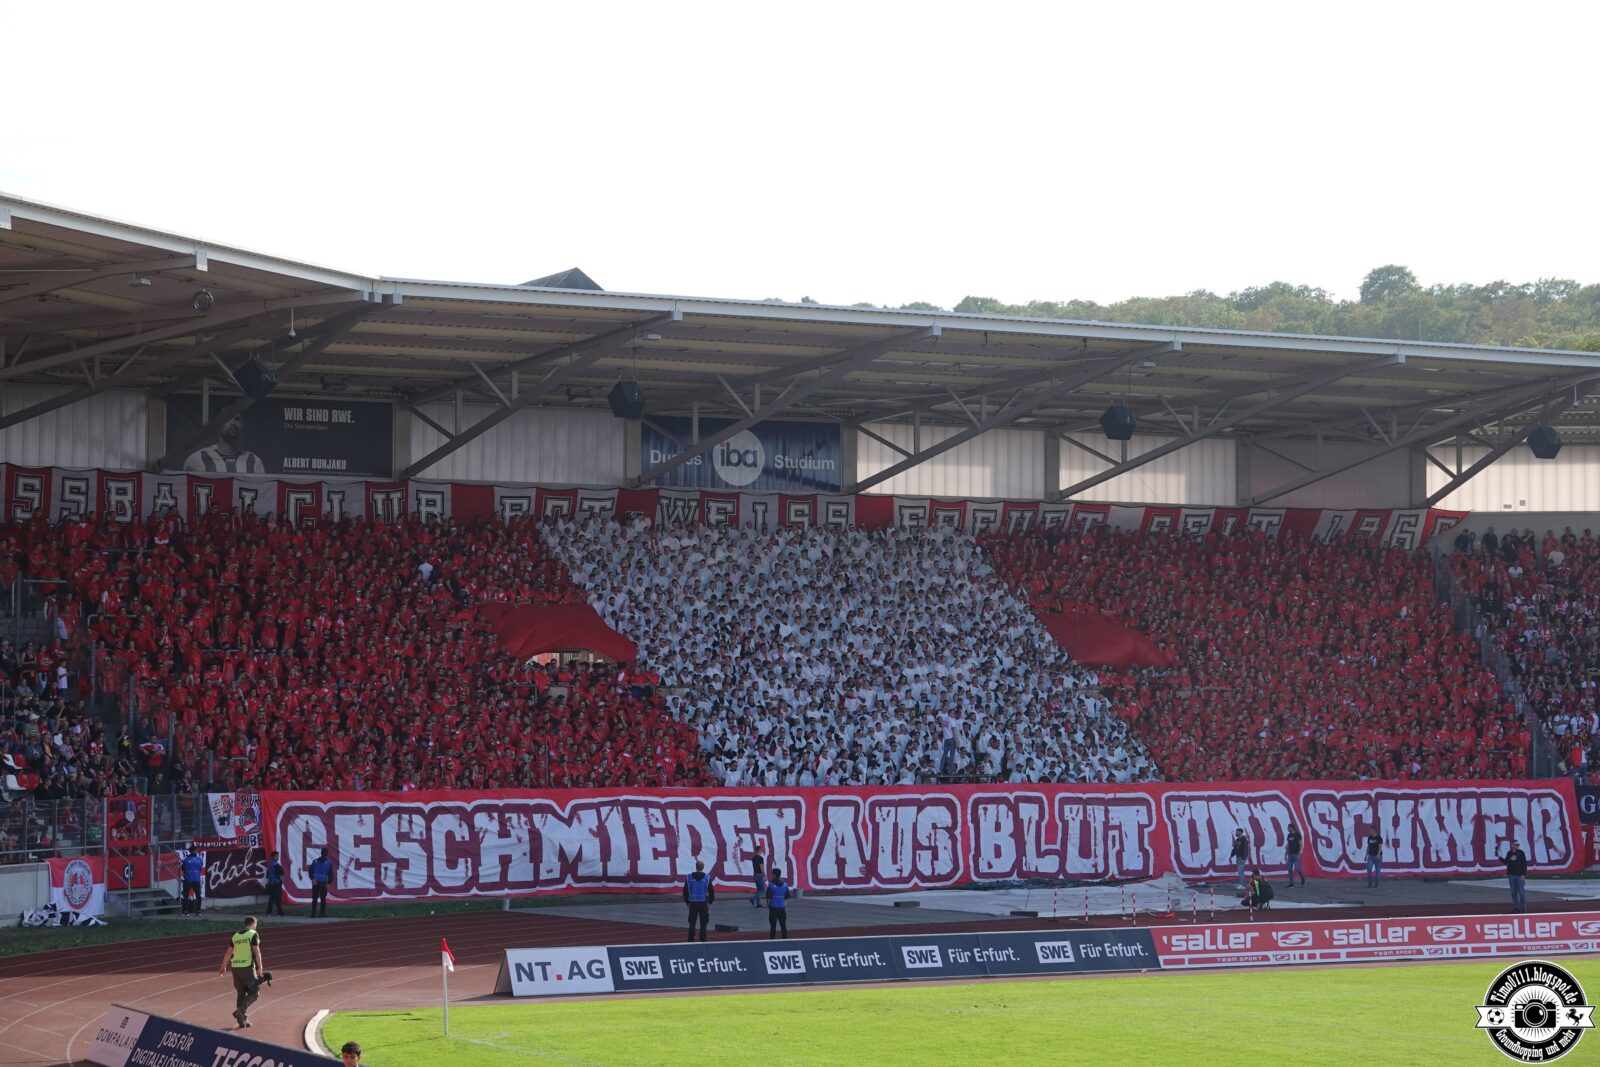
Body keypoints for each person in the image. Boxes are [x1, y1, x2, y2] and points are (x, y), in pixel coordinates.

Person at [217, 915, 264, 1028]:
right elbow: (256, 952)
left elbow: (228, 952)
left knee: (241, 993)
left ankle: (242, 1020)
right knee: (255, 992)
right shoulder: (253, 934)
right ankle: (240, 1011)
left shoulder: (236, 936)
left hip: (235, 967)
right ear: (253, 924)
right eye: (255, 925)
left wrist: (223, 966)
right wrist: (259, 968)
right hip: (247, 968)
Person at [184, 414, 266, 475]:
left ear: (242, 425)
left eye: (237, 419)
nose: (233, 423)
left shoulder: (254, 462)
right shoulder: (197, 460)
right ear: (217, 425)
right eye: (227, 418)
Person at [683, 859, 715, 942]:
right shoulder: (707, 878)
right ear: (703, 868)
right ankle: (703, 940)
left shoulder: (689, 877)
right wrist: (710, 903)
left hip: (693, 903)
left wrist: (687, 903)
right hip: (703, 903)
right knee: (703, 923)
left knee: (692, 923)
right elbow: (712, 891)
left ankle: (690, 939)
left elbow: (685, 891)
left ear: (696, 867)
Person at [1502, 841, 1529, 913]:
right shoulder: (1509, 853)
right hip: (1511, 875)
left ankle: (1523, 908)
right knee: (1513, 892)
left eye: (1518, 844)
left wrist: (1523, 874)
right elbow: (1505, 861)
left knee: (1521, 892)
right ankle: (1516, 908)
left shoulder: (1521, 852)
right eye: (1516, 844)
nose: (1517, 846)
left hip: (1519, 875)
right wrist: (1499, 857)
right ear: (1512, 845)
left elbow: (1524, 864)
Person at [766, 867, 790, 939]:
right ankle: (784, 938)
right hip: (782, 907)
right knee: (783, 924)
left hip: (773, 907)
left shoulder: (770, 884)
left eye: (772, 874)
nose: (771, 875)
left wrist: (768, 903)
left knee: (773, 925)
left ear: (774, 875)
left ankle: (772, 939)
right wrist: (782, 899)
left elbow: (767, 896)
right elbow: (788, 896)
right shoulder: (785, 885)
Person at [180, 848, 205, 915]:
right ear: (196, 851)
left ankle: (185, 912)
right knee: (198, 896)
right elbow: (200, 868)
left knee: (186, 896)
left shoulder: (186, 859)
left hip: (188, 880)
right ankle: (198, 911)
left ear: (189, 851)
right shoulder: (200, 860)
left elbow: (182, 868)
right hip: (196, 880)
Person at [309, 847, 333, 918]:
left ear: (321, 853)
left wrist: (312, 879)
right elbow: (330, 874)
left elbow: (310, 871)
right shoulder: (329, 863)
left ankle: (313, 913)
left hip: (316, 882)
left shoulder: (315, 861)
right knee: (323, 899)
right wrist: (329, 883)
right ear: (327, 854)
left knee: (314, 898)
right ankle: (322, 913)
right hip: (323, 883)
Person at [1283, 824, 1306, 888]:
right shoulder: (1289, 835)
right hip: (1290, 854)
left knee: (1297, 868)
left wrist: (1299, 853)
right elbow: (1288, 844)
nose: (1288, 829)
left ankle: (1302, 876)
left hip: (1296, 854)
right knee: (1289, 869)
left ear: (1292, 828)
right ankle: (1291, 883)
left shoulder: (1297, 835)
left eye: (1289, 828)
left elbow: (1301, 844)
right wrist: (1286, 853)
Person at [263, 851, 285, 917]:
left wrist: (280, 880)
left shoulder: (276, 864)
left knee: (278, 898)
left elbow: (281, 873)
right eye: (276, 856)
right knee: (272, 898)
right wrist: (276, 880)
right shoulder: (272, 865)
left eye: (278, 856)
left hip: (278, 884)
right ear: (272, 857)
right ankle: (269, 913)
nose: (277, 857)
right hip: (274, 884)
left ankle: (280, 912)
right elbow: (271, 874)